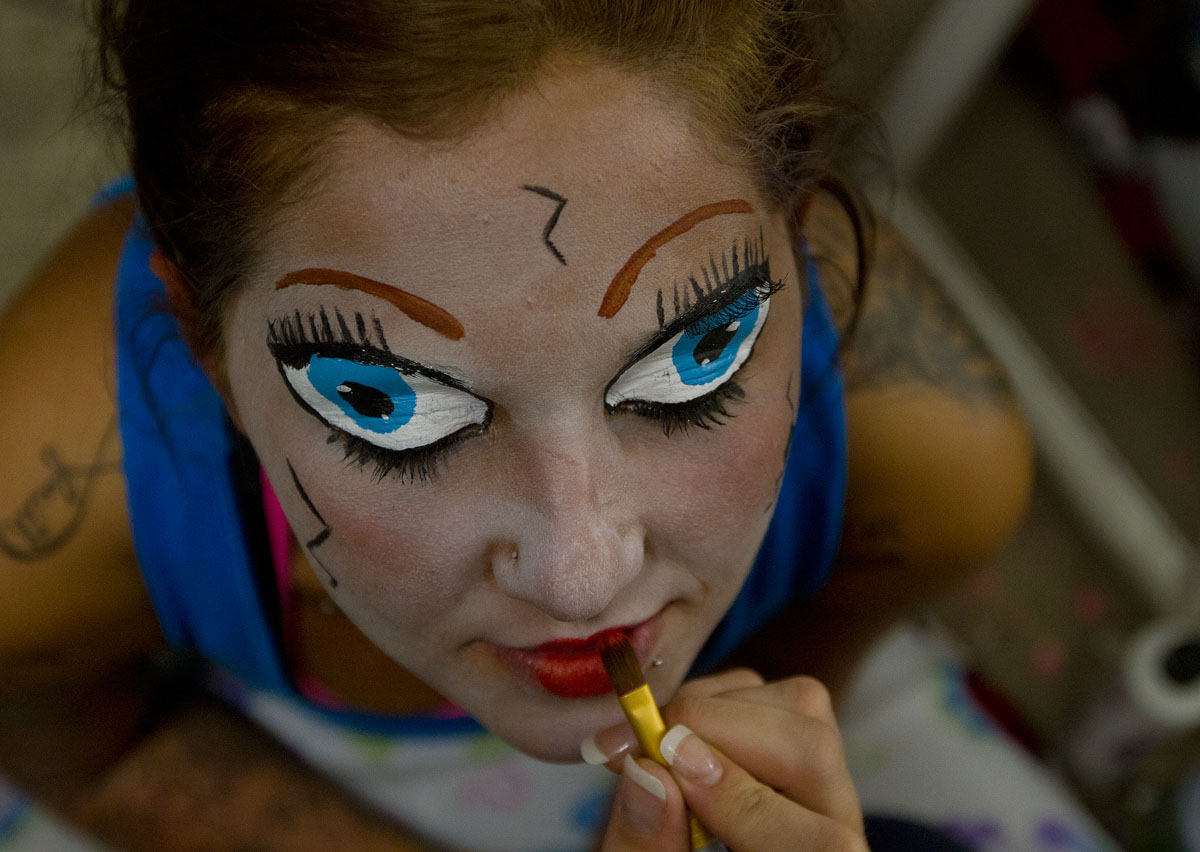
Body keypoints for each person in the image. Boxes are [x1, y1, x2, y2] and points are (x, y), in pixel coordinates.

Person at [0, 1, 1033, 850]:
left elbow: (756, 702)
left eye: (697, 357)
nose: (581, 575)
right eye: (386, 403)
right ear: (200, 340)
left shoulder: (927, 473)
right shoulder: (32, 544)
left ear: (801, 227)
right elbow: (87, 747)